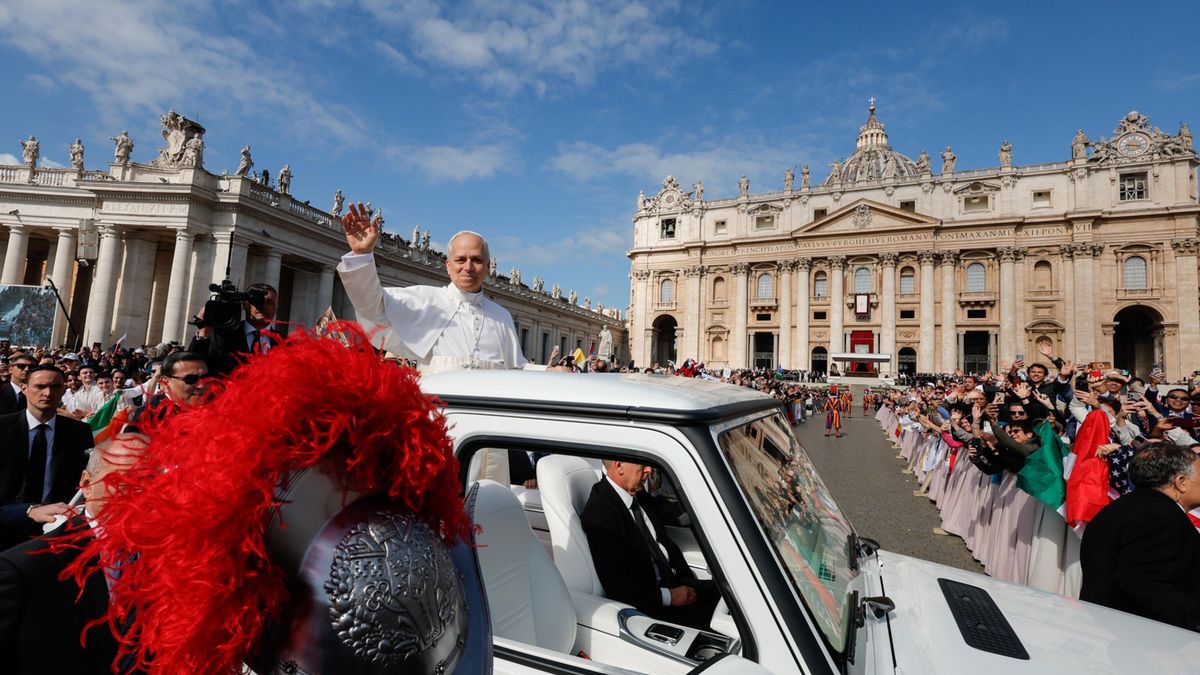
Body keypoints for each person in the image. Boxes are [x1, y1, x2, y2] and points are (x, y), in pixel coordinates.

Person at [0, 432, 144, 674]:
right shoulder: (24, 569)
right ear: (87, 484)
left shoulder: (175, 562)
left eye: (151, 483)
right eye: (123, 483)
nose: (139, 497)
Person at [337, 202, 528, 372]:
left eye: (477, 260)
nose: (468, 267)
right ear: (448, 265)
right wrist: (362, 255)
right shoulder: (425, 300)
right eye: (461, 259)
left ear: (487, 267)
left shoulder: (502, 316)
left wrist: (550, 371)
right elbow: (372, 307)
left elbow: (518, 368)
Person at [580, 458, 718, 630]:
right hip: (652, 607)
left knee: (732, 597)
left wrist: (712, 508)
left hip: (680, 582)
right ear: (619, 466)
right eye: (642, 466)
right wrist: (670, 596)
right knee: (729, 625)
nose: (649, 470)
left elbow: (670, 511)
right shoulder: (599, 514)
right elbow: (619, 587)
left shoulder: (636, 493)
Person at [1079, 442, 1200, 632]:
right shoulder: (1159, 518)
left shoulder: (1123, 508)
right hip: (1147, 641)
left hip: (1111, 629)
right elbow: (1142, 583)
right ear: (1181, 482)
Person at [0, 365, 94, 549]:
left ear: (64, 390)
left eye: (55, 387)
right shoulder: (2, 428)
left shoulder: (79, 432)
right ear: (25, 388)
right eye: (40, 386)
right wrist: (27, 511)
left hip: (57, 533)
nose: (48, 392)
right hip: (5, 528)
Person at [188, 283, 279, 377]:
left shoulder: (287, 344)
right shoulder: (221, 336)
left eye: (269, 302)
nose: (263, 306)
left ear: (276, 307)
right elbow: (194, 368)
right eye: (257, 301)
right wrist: (204, 332)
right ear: (245, 304)